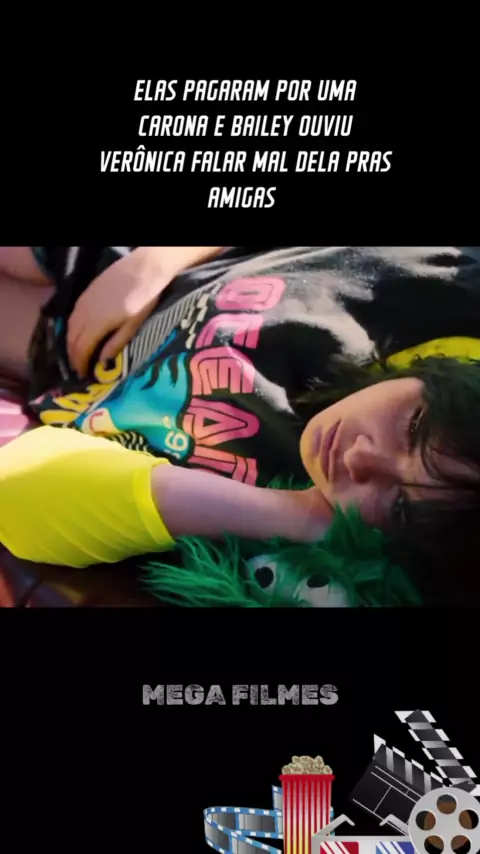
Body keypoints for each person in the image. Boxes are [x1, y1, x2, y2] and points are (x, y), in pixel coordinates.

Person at [1, 355, 479, 609]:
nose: (357, 458)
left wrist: (295, 515)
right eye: (415, 426)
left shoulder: (280, 524)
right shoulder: (428, 305)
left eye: (400, 506)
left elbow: (17, 488)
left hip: (64, 361)